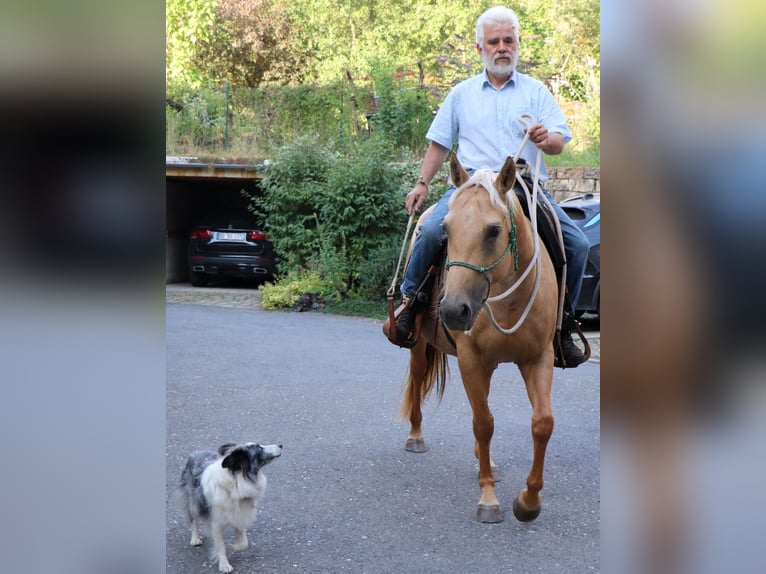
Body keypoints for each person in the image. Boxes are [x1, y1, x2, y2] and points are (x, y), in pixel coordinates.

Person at [394, 5, 590, 366]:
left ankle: (562, 325)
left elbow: (559, 141)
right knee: (432, 231)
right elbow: (439, 143)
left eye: (508, 40)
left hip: (523, 188)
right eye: (494, 41)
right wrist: (422, 183)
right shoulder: (461, 94)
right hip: (469, 189)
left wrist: (546, 138)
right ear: (479, 48)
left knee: (576, 244)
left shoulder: (536, 93)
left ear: (518, 44)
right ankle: (409, 305)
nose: (502, 47)